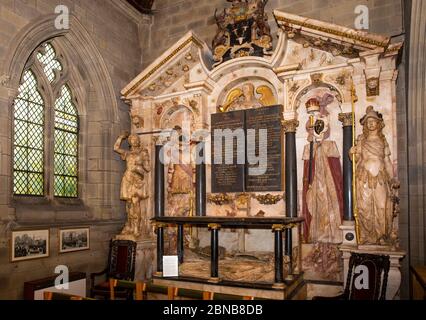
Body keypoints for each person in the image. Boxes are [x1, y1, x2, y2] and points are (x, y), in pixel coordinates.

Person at [350, 106, 399, 245]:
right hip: (364, 176)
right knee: (364, 207)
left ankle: (381, 235)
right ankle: (367, 235)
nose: (371, 123)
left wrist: (393, 177)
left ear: (379, 124)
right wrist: (351, 152)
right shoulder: (361, 140)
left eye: (373, 121)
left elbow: (388, 162)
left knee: (382, 206)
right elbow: (357, 157)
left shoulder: (383, 141)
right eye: (368, 121)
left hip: (380, 176)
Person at [301, 96, 344, 244]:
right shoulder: (309, 148)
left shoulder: (329, 145)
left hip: (328, 185)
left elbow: (336, 172)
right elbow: (308, 171)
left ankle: (332, 234)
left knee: (329, 205)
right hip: (315, 184)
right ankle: (316, 234)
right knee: (315, 205)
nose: (314, 131)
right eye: (311, 129)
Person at [114, 132, 150, 239]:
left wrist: (138, 167)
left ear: (138, 141)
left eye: (135, 139)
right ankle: (129, 226)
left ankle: (137, 228)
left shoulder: (143, 152)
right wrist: (121, 137)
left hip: (137, 179)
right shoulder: (127, 153)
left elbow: (148, 168)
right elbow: (115, 148)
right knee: (128, 204)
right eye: (131, 139)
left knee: (135, 203)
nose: (133, 141)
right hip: (127, 178)